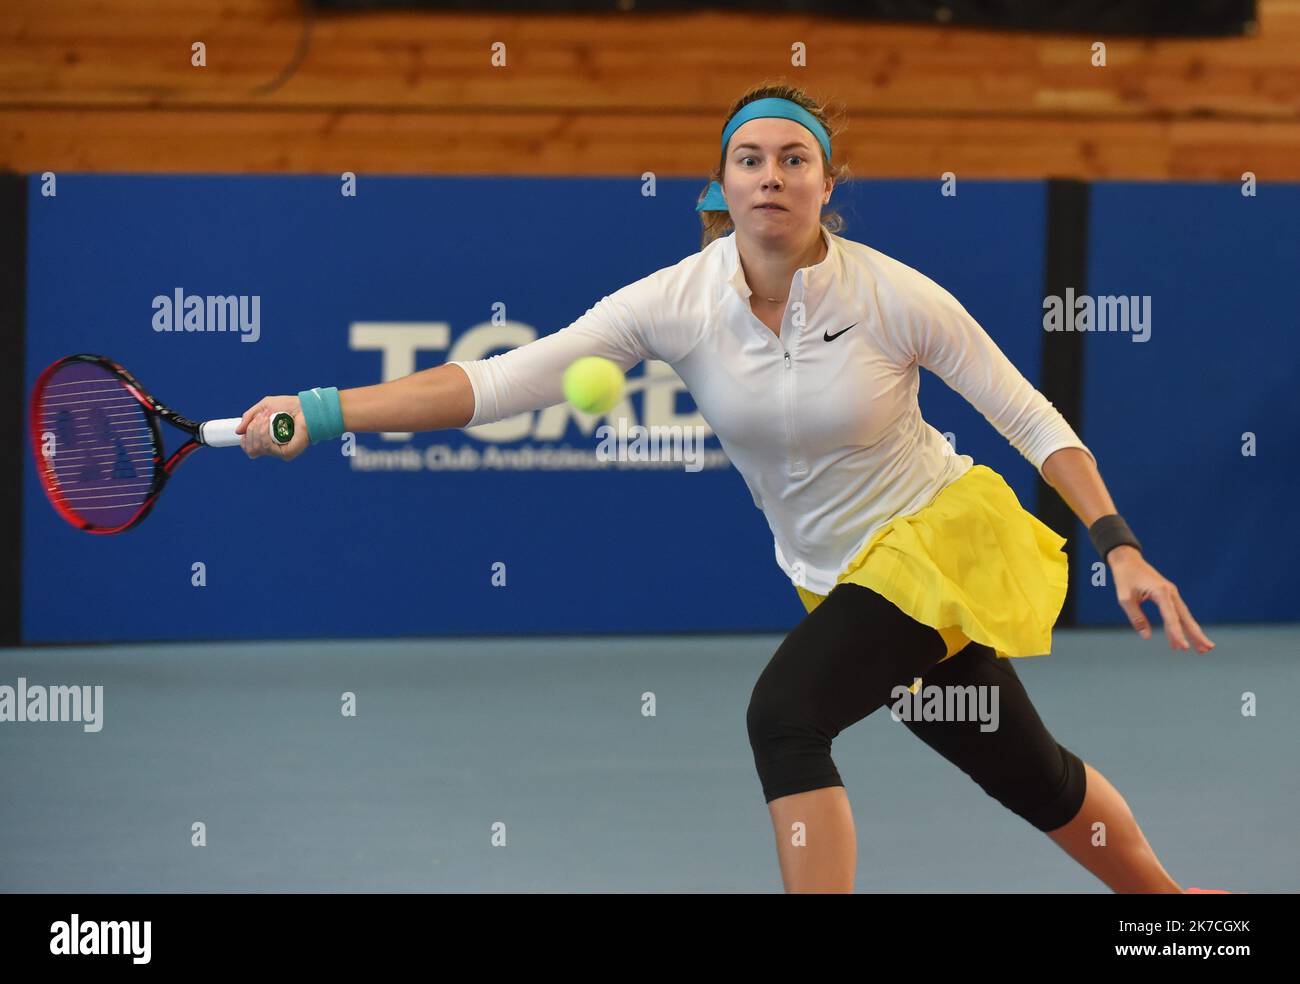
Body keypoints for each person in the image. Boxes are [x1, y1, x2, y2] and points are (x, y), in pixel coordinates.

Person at [236, 81, 1219, 894]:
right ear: (725, 184)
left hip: (936, 543)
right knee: (1028, 775)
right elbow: (491, 383)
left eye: (795, 159)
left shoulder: (894, 296)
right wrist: (324, 411)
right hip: (836, 573)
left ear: (826, 184)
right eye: (751, 159)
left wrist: (1118, 543)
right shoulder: (674, 303)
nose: (772, 176)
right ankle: (1180, 916)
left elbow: (1032, 418)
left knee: (784, 716)